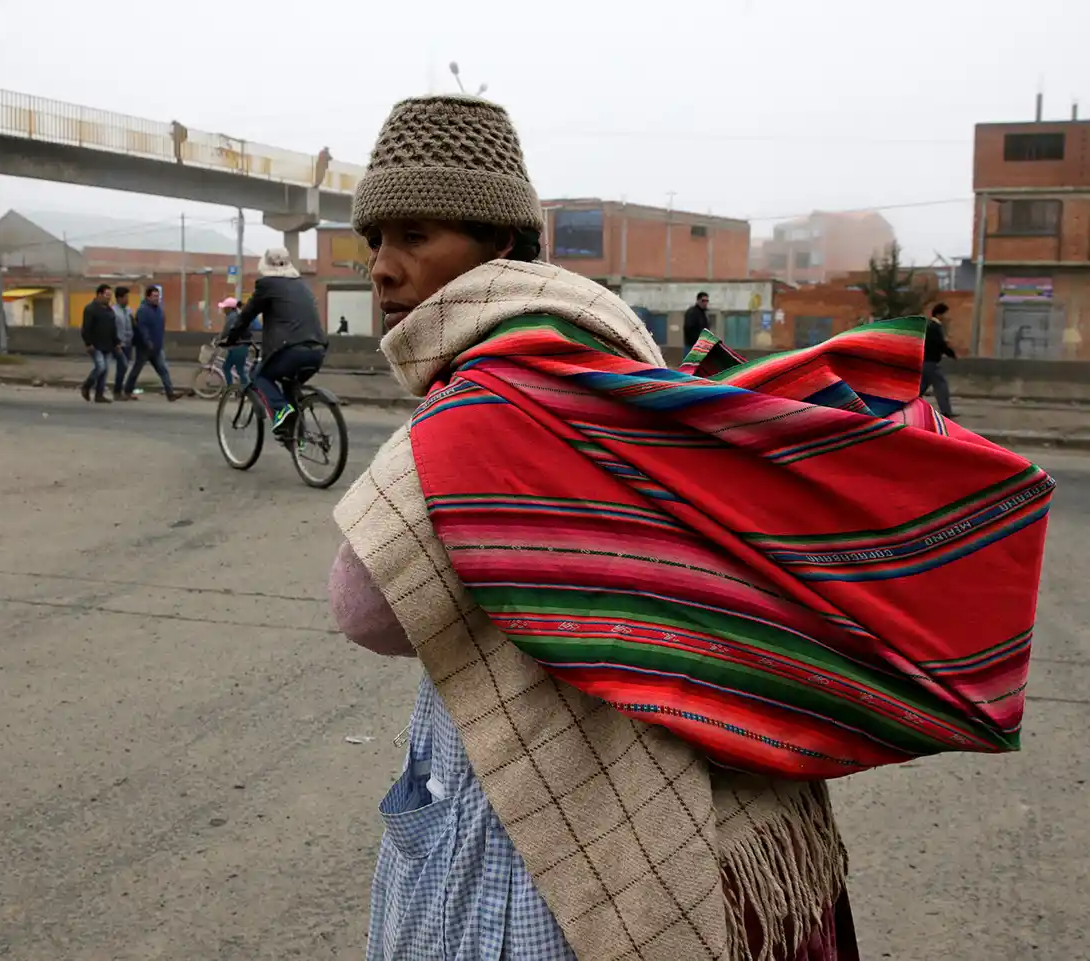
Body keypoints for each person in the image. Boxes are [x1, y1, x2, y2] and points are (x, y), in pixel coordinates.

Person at [329, 95, 869, 961]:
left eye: (416, 236)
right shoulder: (612, 354)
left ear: (497, 245)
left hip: (537, 806)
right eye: (375, 240)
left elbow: (366, 606)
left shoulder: (495, 393)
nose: (384, 269)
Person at [222, 248, 326, 434]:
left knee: (259, 375)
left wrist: (231, 338)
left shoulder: (267, 284)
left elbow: (246, 315)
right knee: (290, 387)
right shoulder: (302, 284)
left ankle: (281, 411)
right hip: (317, 350)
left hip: (290, 350)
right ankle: (297, 438)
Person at [124, 285, 177, 401]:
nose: (157, 298)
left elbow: (160, 328)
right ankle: (127, 390)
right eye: (154, 296)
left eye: (158, 296)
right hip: (144, 348)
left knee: (163, 370)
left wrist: (159, 343)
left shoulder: (159, 310)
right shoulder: (143, 310)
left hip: (157, 347)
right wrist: (148, 342)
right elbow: (142, 329)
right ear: (147, 297)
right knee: (137, 369)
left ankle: (170, 393)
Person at [80, 283, 120, 403]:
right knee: (101, 367)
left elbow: (113, 328)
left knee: (105, 371)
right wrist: (88, 343)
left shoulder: (110, 311)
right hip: (95, 345)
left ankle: (99, 394)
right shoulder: (90, 309)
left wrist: (116, 342)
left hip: (108, 345)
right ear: (99, 294)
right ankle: (86, 386)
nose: (109, 298)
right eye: (107, 295)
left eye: (110, 295)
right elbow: (86, 328)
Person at [924, 302, 958, 417]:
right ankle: (946, 412)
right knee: (941, 386)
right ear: (939, 314)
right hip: (931, 363)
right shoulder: (934, 327)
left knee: (918, 389)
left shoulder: (929, 326)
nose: (946, 317)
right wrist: (951, 354)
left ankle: (900, 408)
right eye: (945, 314)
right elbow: (939, 344)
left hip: (925, 362)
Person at [215, 296, 251, 386]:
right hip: (237, 346)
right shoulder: (234, 316)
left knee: (239, 370)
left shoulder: (233, 317)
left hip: (239, 347)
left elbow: (227, 330)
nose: (223, 310)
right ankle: (232, 388)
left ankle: (244, 389)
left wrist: (218, 339)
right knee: (227, 367)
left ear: (229, 308)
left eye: (225, 308)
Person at [111, 286, 136, 400]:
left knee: (124, 368)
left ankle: (122, 391)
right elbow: (111, 329)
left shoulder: (128, 310)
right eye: (125, 297)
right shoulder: (113, 312)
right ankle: (117, 392)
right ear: (119, 298)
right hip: (119, 344)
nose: (127, 299)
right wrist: (115, 343)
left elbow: (132, 325)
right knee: (122, 366)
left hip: (128, 343)